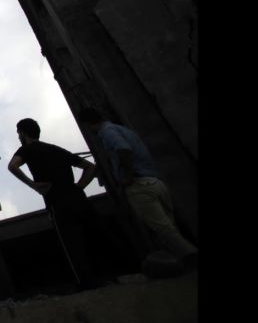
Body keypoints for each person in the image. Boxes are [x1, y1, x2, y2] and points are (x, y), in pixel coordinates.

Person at [79, 108, 197, 269]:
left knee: (163, 229)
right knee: (169, 227)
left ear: (88, 123)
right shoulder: (124, 130)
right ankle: (182, 262)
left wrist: (128, 176)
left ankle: (191, 256)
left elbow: (123, 148)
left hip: (139, 185)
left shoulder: (107, 132)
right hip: (155, 181)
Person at [9, 117, 100, 289]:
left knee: (73, 246)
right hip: (79, 201)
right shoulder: (56, 149)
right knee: (92, 239)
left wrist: (33, 185)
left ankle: (87, 284)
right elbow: (91, 167)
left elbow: (12, 166)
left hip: (59, 204)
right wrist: (78, 187)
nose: (18, 136)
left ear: (22, 132)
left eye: (18, 133)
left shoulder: (27, 149)